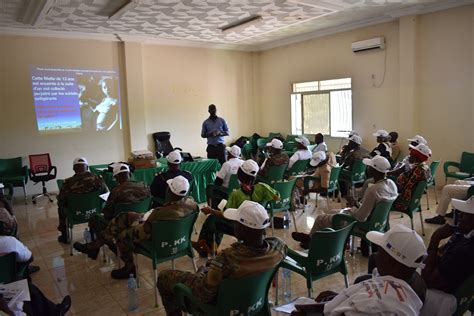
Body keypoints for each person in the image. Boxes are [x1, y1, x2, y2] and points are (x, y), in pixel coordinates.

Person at [157, 200, 287, 316]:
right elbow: (265, 244)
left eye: (235, 222)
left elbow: (204, 294)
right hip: (254, 302)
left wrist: (201, 273)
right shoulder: (278, 248)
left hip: (221, 309)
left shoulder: (227, 259)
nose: (233, 225)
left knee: (164, 277)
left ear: (243, 229)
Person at [74, 176, 198, 279]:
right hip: (178, 239)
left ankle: (129, 267)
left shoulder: (160, 213)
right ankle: (96, 245)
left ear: (170, 191)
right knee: (124, 217)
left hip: (156, 241)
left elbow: (145, 230)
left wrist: (142, 221)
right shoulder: (192, 204)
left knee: (121, 235)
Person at [292, 224, 427, 316]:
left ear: (392, 262)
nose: (375, 255)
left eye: (380, 251)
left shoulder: (377, 305)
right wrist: (341, 297)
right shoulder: (411, 280)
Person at [292, 156, 397, 249]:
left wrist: (353, 206)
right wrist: (356, 204)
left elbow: (361, 217)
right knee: (332, 211)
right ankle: (319, 239)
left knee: (320, 219)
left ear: (375, 170)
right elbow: (372, 209)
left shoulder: (373, 189)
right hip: (376, 223)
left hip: (362, 224)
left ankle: (311, 241)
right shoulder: (391, 184)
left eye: (370, 167)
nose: (367, 168)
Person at [194, 159, 279, 257]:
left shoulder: (236, 194)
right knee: (215, 219)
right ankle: (208, 247)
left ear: (239, 175)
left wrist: (211, 211)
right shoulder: (263, 188)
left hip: (241, 228)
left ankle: (205, 249)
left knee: (213, 220)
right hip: (258, 226)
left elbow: (226, 215)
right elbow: (277, 197)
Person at [0, 236, 72, 315]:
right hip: (11, 281)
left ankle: (55, 312)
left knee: (29, 288)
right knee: (28, 298)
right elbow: (29, 257)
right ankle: (54, 312)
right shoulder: (8, 242)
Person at [422, 196, 474, 295]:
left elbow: (427, 280)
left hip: (441, 297)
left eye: (465, 214)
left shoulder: (464, 251)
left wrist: (435, 239)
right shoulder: (465, 236)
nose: (460, 216)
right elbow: (441, 252)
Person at [87, 163, 150, 243]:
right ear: (129, 174)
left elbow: (107, 214)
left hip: (119, 224)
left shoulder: (116, 191)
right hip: (140, 220)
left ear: (116, 177)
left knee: (96, 219)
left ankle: (104, 245)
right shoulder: (144, 186)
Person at [56, 157, 107, 243]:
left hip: (76, 215)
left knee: (60, 208)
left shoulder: (68, 183)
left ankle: (65, 236)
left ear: (74, 169)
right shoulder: (98, 180)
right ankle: (94, 230)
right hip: (95, 213)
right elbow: (105, 196)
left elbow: (62, 201)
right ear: (87, 167)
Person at [392, 143, 431, 212]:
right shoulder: (424, 167)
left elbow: (408, 189)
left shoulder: (418, 171)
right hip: (413, 201)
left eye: (411, 155)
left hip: (404, 203)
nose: (409, 156)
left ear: (416, 157)